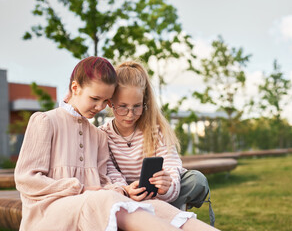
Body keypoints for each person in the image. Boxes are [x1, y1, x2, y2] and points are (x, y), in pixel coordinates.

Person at [14, 56, 217, 231]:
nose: (100, 107)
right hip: (49, 210)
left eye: (105, 101)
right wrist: (81, 188)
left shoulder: (97, 136)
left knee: (155, 206)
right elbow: (26, 179)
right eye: (95, 98)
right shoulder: (45, 121)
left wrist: (123, 190)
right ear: (75, 88)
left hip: (95, 203)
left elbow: (105, 180)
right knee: (108, 200)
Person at [99, 61, 213, 222]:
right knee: (105, 191)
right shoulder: (102, 135)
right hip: (126, 193)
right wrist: (125, 190)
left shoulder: (156, 130)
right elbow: (110, 172)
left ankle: (156, 211)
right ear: (110, 103)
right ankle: (157, 213)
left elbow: (171, 165)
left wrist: (167, 187)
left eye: (137, 107)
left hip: (157, 193)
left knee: (196, 180)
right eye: (123, 107)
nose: (130, 114)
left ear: (144, 102)